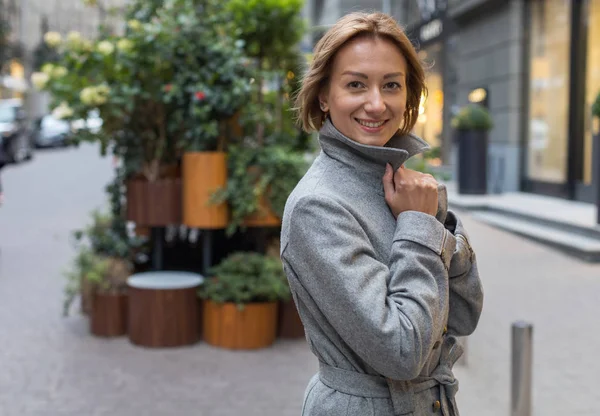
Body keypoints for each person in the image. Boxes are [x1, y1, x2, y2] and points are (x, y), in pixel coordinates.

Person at [280, 12, 483, 416]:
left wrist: (434, 223)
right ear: (323, 95)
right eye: (356, 84)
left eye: (391, 85)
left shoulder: (405, 185)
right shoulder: (317, 206)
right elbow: (403, 352)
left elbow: (464, 314)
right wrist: (420, 227)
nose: (377, 103)